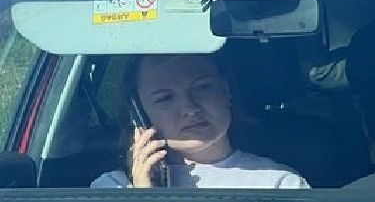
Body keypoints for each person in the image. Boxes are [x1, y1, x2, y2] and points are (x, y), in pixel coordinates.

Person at [93, 53, 309, 189]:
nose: (189, 108)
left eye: (202, 87)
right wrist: (142, 200)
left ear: (226, 91)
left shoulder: (278, 184)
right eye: (165, 98)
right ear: (139, 112)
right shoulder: (113, 189)